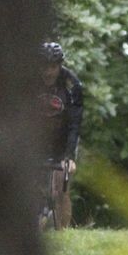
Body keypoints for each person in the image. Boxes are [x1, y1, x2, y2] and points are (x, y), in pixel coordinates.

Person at [39, 41, 84, 228]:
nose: (48, 72)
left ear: (59, 66)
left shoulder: (72, 84)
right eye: (44, 67)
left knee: (61, 188)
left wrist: (69, 156)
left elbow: (75, 123)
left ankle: (63, 233)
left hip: (62, 140)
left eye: (53, 67)